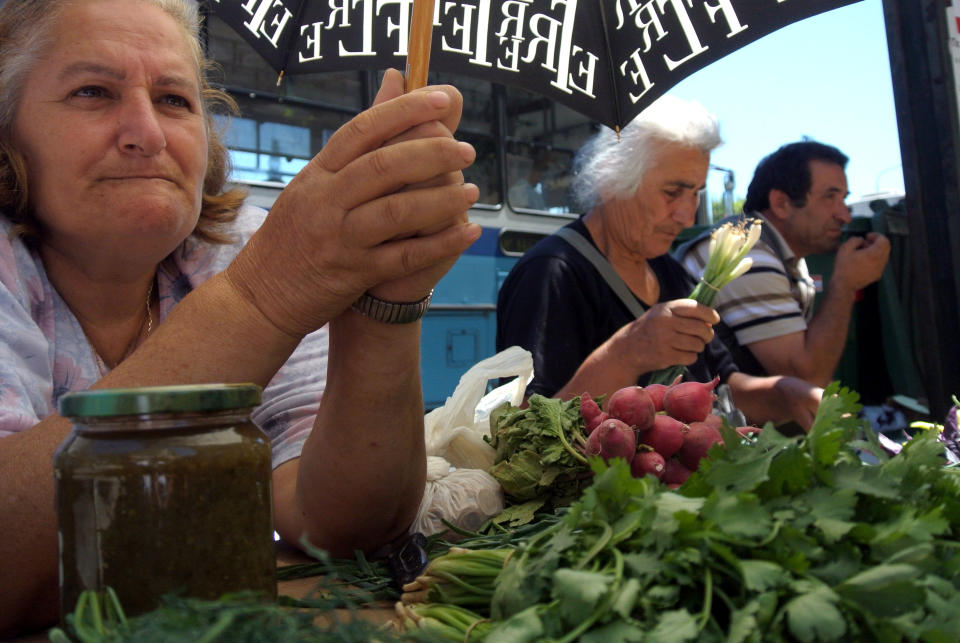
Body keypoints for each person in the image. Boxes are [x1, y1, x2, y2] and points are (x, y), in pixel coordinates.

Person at [0, 0, 481, 635]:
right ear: (9, 134)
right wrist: (262, 297)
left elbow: (337, 527)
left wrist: (382, 300)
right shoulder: (259, 265)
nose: (146, 131)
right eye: (93, 91)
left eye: (174, 100)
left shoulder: (231, 247)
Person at [495, 96, 822, 429]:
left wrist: (787, 393)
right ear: (613, 182)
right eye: (672, 192)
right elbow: (522, 433)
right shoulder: (552, 272)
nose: (687, 214)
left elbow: (725, 388)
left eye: (696, 192)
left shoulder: (672, 274)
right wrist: (624, 355)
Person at [675, 141, 891, 387]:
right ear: (781, 203)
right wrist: (845, 283)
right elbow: (805, 380)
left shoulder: (784, 257)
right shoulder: (746, 251)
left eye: (843, 199)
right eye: (829, 198)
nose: (845, 216)